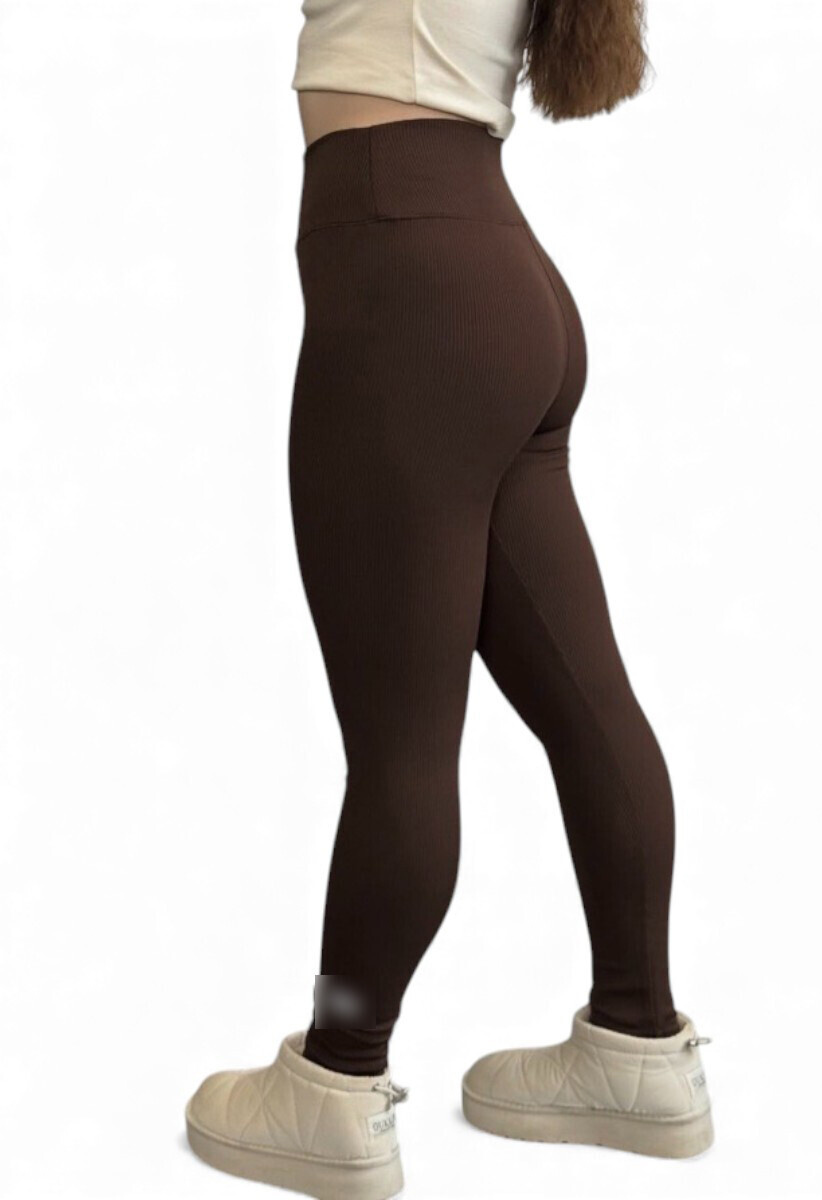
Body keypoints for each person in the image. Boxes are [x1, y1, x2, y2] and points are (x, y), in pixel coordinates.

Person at [184, 0, 714, 1195]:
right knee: (589, 709)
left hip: (409, 285)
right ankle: (638, 1046)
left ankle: (336, 1078)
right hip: (493, 270)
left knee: (401, 752)